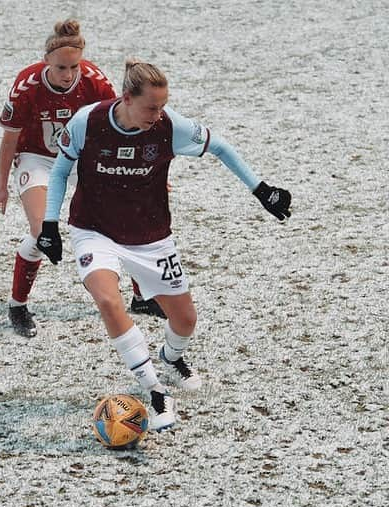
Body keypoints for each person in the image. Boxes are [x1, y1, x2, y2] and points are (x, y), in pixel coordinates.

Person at [37, 59, 291, 431]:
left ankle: (171, 358)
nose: (158, 114)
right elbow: (60, 171)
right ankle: (155, 390)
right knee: (109, 300)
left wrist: (261, 190)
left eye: (162, 106)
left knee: (185, 320)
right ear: (126, 99)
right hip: (94, 229)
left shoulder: (170, 126)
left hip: (150, 235)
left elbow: (220, 147)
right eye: (151, 107)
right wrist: (49, 225)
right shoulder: (87, 122)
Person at [0, 21, 164, 338]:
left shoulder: (94, 80)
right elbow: (10, 138)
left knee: (126, 219)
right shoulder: (26, 85)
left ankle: (141, 297)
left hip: (79, 157)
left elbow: (121, 121)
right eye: (61, 67)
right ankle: (17, 305)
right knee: (42, 232)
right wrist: (0, 186)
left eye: (74, 66)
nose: (68, 74)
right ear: (46, 61)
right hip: (36, 158)